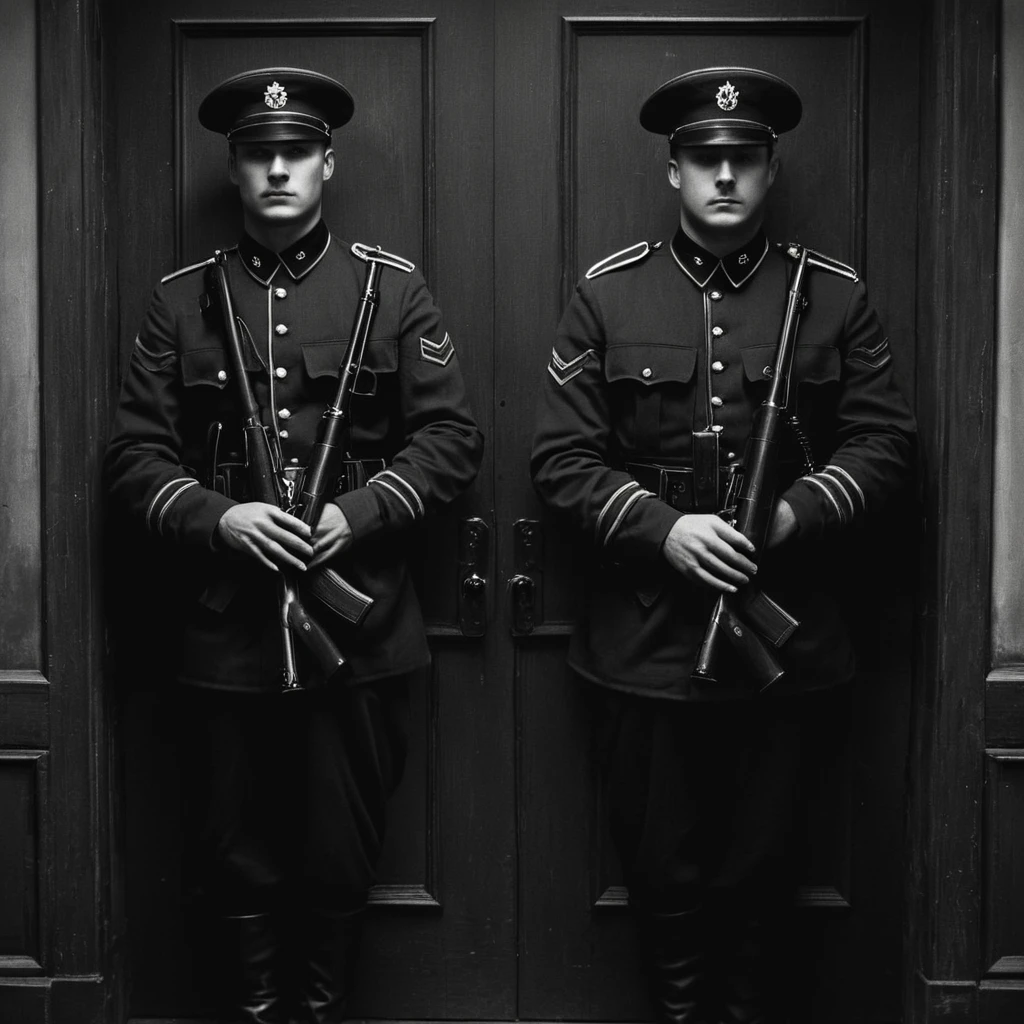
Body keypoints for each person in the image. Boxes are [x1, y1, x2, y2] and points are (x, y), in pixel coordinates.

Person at [531, 67, 915, 1024]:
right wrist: (665, 531)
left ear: (772, 166)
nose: (726, 177)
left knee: (762, 870)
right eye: (706, 159)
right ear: (674, 171)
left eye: (744, 159)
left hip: (788, 641)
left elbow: (885, 443)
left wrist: (792, 515)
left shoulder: (831, 297)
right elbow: (561, 458)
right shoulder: (607, 295)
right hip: (648, 639)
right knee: (664, 870)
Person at [105, 67, 482, 1024]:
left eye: (296, 152)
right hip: (225, 632)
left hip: (357, 632)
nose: (278, 169)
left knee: (337, 854)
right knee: (235, 854)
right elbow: (133, 459)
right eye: (259, 154)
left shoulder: (389, 292)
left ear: (327, 162)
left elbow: (451, 442)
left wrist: (356, 514)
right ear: (234, 169)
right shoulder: (181, 300)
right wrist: (218, 517)